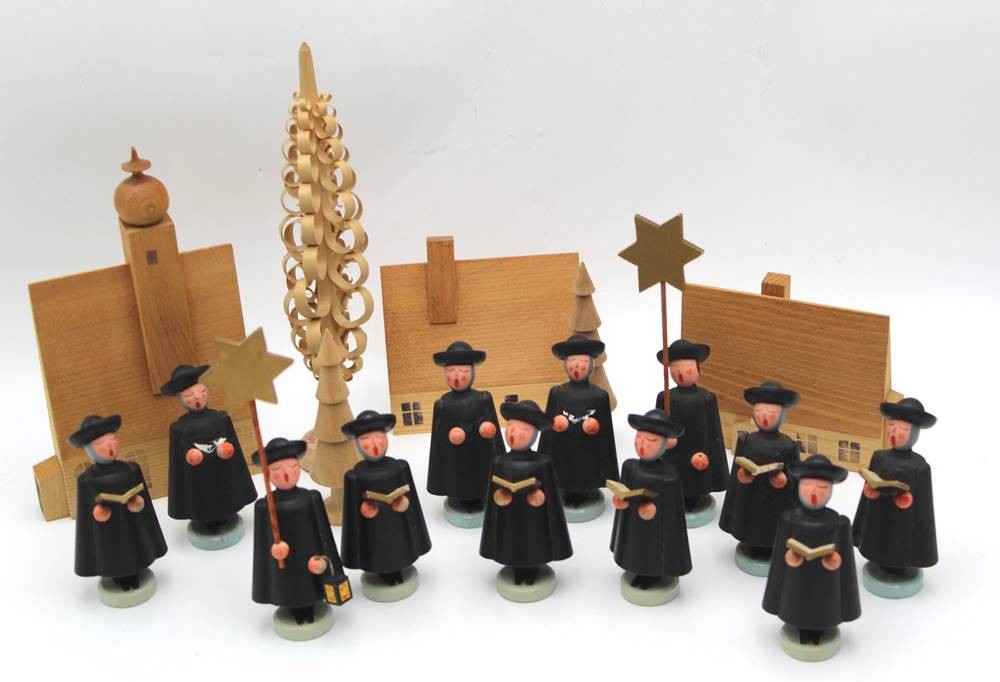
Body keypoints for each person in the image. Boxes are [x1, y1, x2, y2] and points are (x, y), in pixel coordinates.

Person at [763, 454, 860, 659]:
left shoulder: (838, 523)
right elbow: (778, 565)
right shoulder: (789, 520)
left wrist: (835, 561)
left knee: (823, 604)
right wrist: (789, 557)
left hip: (826, 582)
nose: (814, 492)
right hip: (796, 580)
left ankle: (820, 628)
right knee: (796, 602)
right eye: (807, 485)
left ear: (831, 490)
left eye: (822, 487)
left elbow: (846, 569)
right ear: (799, 486)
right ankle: (800, 627)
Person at [252, 437, 349, 634]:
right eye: (276, 469)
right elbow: (261, 547)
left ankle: (313, 604)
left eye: (293, 466)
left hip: (312, 560)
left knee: (311, 585)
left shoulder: (311, 498)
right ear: (267, 474)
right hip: (284, 567)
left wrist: (327, 562)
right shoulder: (265, 506)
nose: (286, 473)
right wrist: (274, 550)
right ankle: (294, 610)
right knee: (288, 587)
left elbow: (324, 536)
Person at [480, 400, 572, 600]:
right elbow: (493, 498)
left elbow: (552, 500)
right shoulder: (499, 461)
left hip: (534, 517)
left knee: (534, 542)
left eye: (523, 429)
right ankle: (515, 569)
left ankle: (532, 570)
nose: (514, 433)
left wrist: (540, 496)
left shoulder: (543, 462)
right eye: (510, 427)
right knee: (510, 542)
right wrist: (499, 496)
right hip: (509, 517)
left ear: (535, 434)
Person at [71, 415, 167, 603]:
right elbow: (86, 515)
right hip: (106, 532)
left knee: (135, 546)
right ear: (88, 449)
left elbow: (144, 504)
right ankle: (118, 578)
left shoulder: (130, 470)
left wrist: (137, 503)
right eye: (100, 444)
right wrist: (98, 513)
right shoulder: (87, 480)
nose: (109, 446)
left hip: (131, 525)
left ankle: (136, 571)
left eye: (113, 439)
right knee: (111, 553)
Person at [162, 364, 257, 546]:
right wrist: (191, 455)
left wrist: (226, 449)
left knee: (225, 494)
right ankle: (204, 521)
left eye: (201, 391)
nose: (197, 397)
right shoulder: (179, 428)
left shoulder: (220, 418)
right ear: (181, 399)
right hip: (197, 477)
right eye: (189, 395)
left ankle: (228, 515)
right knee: (202, 499)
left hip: (222, 471)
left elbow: (231, 444)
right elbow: (178, 463)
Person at [341, 410, 431, 599]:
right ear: (357, 443)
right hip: (371, 532)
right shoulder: (355, 476)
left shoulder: (398, 467)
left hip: (398, 526)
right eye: (366, 439)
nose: (375, 444)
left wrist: (403, 503)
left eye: (380, 437)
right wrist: (364, 509)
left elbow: (412, 506)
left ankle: (399, 568)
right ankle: (381, 572)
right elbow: (352, 518)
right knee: (376, 552)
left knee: (400, 547)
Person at [853, 397, 937, 596]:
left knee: (901, 544)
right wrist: (870, 490)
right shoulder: (879, 457)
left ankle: (900, 566)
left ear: (914, 432)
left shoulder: (919, 466)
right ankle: (878, 560)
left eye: (903, 429)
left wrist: (908, 499)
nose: (895, 433)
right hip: (879, 513)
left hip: (905, 520)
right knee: (878, 536)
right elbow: (870, 487)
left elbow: (923, 508)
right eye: (892, 426)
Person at [719, 380, 801, 573]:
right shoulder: (747, 441)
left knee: (773, 523)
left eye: (772, 413)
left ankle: (773, 546)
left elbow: (797, 480)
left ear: (782, 415)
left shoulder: (788, 445)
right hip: (751, 496)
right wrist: (742, 475)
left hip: (777, 500)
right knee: (751, 520)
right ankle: (751, 543)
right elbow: (737, 473)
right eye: (759, 411)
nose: (765, 416)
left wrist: (784, 480)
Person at [610, 409, 692, 601]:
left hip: (657, 528)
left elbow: (672, 513)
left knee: (654, 551)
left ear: (666, 444)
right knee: (635, 546)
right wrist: (620, 500)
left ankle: (655, 575)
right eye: (639, 437)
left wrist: (655, 508)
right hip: (634, 523)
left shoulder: (668, 475)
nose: (642, 444)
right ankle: (638, 571)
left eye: (652, 440)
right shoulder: (629, 467)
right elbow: (624, 490)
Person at [539, 333, 618, 520]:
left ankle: (588, 491)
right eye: (572, 362)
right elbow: (547, 428)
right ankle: (565, 490)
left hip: (589, 448)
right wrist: (556, 422)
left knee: (587, 469)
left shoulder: (599, 395)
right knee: (564, 469)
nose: (576, 367)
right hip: (563, 446)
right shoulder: (557, 393)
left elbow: (606, 434)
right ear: (565, 365)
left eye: (582, 362)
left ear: (591, 364)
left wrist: (595, 426)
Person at [426, 341, 504, 525]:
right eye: (451, 371)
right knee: (458, 477)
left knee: (481, 475)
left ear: (473, 372)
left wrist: (487, 427)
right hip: (455, 455)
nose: (457, 376)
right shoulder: (442, 404)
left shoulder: (483, 398)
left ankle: (482, 496)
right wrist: (450, 433)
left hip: (480, 450)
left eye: (463, 371)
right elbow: (438, 438)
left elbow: (492, 423)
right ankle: (457, 498)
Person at [654, 339, 729, 522]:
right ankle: (675, 496)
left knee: (697, 476)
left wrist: (709, 453)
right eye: (675, 369)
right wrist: (664, 438)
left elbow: (714, 433)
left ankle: (696, 497)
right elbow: (656, 425)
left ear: (698, 369)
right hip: (674, 449)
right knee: (674, 472)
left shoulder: (706, 398)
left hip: (699, 448)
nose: (680, 373)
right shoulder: (665, 397)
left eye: (686, 368)